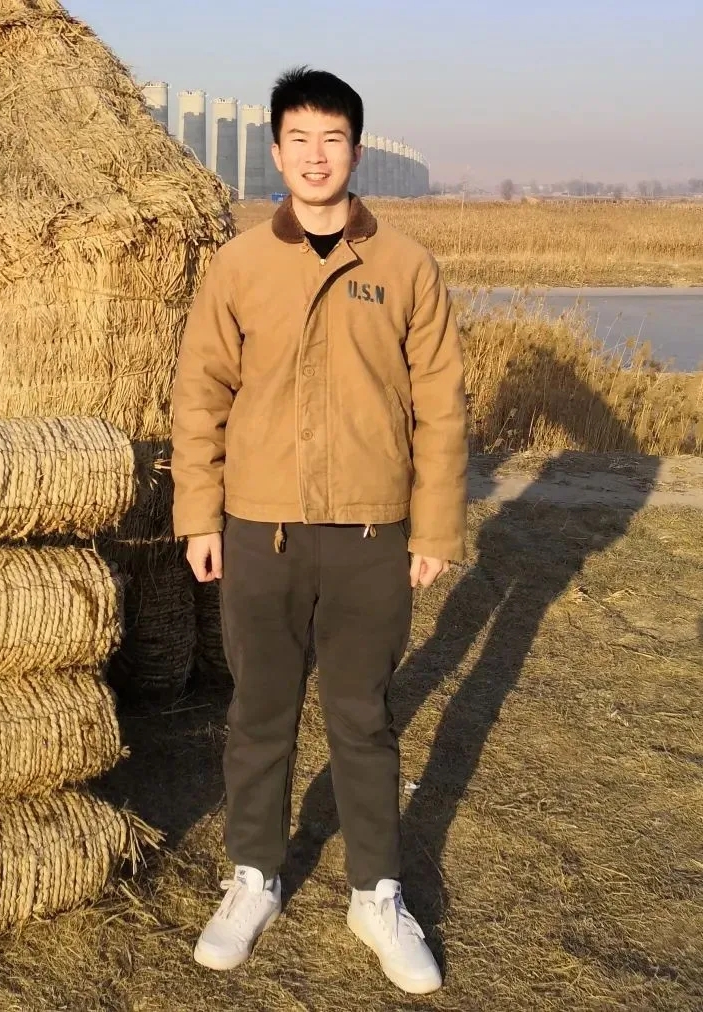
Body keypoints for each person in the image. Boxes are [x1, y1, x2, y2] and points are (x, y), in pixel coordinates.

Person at [170, 67, 468, 994]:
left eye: (332, 139)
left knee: (363, 718)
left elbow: (441, 406)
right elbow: (199, 394)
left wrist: (434, 527)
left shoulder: (406, 267)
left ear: (355, 150)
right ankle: (253, 876)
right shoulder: (239, 265)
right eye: (298, 139)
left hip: (373, 537)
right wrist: (199, 513)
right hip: (259, 531)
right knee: (258, 713)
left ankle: (376, 894)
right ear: (275, 151)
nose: (315, 156)